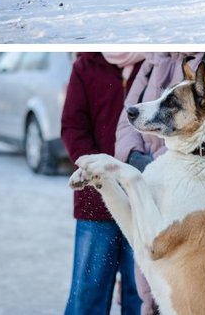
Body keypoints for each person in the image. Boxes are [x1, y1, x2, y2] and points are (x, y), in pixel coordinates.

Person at [115, 52, 205, 315]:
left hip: (186, 173)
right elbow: (129, 115)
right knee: (149, 285)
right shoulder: (154, 59)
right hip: (152, 170)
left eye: (171, 104)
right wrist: (132, 156)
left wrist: (175, 161)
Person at [61, 53, 144, 315]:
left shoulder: (156, 63)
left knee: (142, 296)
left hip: (143, 201)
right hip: (96, 200)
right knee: (87, 295)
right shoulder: (86, 65)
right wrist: (97, 170)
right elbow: (73, 126)